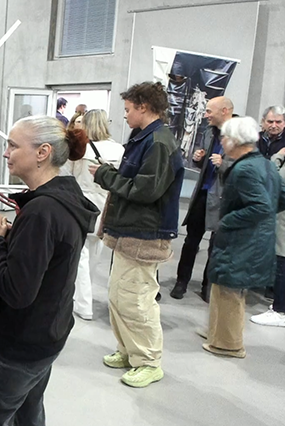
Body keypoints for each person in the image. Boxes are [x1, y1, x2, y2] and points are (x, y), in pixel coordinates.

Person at [0, 116, 98, 426]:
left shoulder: (42, 212)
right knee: (28, 412)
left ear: (42, 152)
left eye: (13, 146)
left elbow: (17, 291)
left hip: (20, 344)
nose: (6, 152)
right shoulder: (63, 199)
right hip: (46, 334)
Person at [89, 82, 184, 388]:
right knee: (119, 296)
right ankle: (130, 350)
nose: (125, 115)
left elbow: (145, 190)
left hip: (145, 233)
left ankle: (148, 361)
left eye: (128, 109)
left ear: (144, 107)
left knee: (137, 299)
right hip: (129, 230)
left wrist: (104, 175)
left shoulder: (158, 143)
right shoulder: (142, 138)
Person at [203, 117, 285, 357]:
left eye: (225, 137)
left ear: (235, 140)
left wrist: (228, 221)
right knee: (224, 287)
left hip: (242, 239)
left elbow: (261, 206)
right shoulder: (264, 164)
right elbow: (284, 198)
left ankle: (228, 344)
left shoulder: (244, 169)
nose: (222, 141)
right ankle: (217, 333)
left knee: (229, 289)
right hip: (254, 238)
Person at [61, 109, 124, 320]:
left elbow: (66, 176)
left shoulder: (80, 148)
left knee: (79, 255)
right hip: (106, 204)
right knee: (94, 254)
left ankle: (83, 303)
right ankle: (83, 298)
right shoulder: (119, 149)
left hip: (81, 203)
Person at [170, 97, 234, 301]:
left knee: (216, 245)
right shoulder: (208, 132)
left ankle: (208, 285)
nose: (205, 115)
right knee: (191, 241)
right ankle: (181, 282)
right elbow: (206, 164)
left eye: (209, 111)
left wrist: (224, 164)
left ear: (224, 111)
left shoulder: (241, 135)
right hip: (203, 194)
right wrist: (198, 159)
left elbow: (247, 167)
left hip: (224, 197)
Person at [250, 145, 285, 327]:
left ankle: (280, 310)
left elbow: (275, 180)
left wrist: (277, 158)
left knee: (279, 261)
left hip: (284, 219)